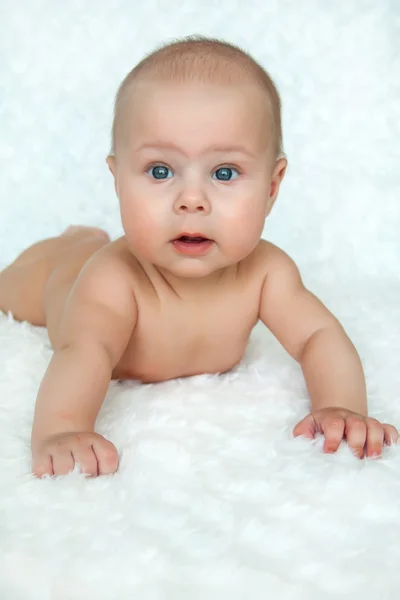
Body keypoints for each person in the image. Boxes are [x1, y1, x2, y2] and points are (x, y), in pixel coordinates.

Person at [0, 35, 397, 478]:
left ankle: (85, 236)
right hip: (61, 281)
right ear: (117, 181)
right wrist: (62, 429)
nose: (192, 200)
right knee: (19, 286)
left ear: (271, 186)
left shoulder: (266, 272)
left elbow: (318, 335)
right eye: (160, 171)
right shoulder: (114, 278)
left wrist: (340, 407)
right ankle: (73, 242)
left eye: (224, 173)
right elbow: (84, 350)